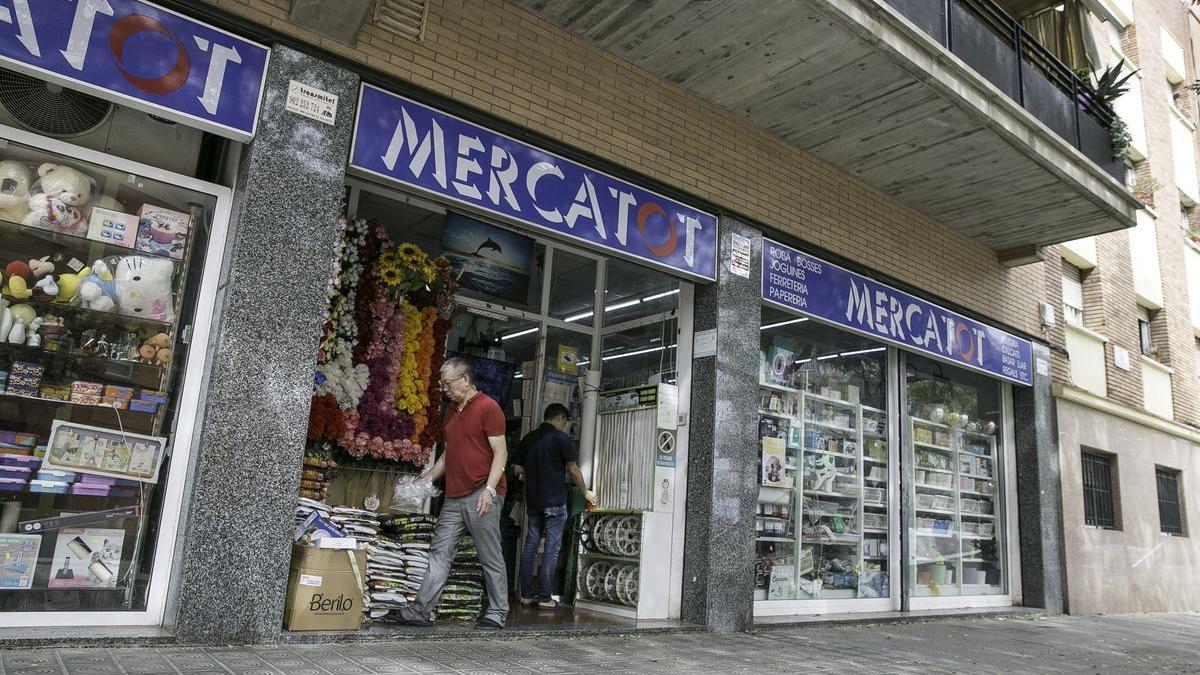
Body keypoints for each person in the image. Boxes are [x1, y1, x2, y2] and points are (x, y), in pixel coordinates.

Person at [398, 357, 509, 629]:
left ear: (466, 380)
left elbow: (501, 453)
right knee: (439, 552)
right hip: (454, 497)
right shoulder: (450, 412)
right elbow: (450, 455)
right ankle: (420, 611)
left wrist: (490, 490)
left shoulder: (488, 407)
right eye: (442, 384)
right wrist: (423, 481)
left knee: (489, 554)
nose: (444, 389)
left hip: (482, 493)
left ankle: (497, 612)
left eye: (448, 383)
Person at [512, 403, 597, 608]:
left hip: (533, 501)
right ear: (559, 417)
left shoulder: (529, 439)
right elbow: (573, 469)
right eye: (564, 421)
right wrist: (586, 491)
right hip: (555, 502)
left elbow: (516, 469)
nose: (564, 425)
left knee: (530, 547)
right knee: (551, 549)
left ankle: (526, 595)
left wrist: (535, 469)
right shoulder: (561, 438)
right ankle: (544, 598)